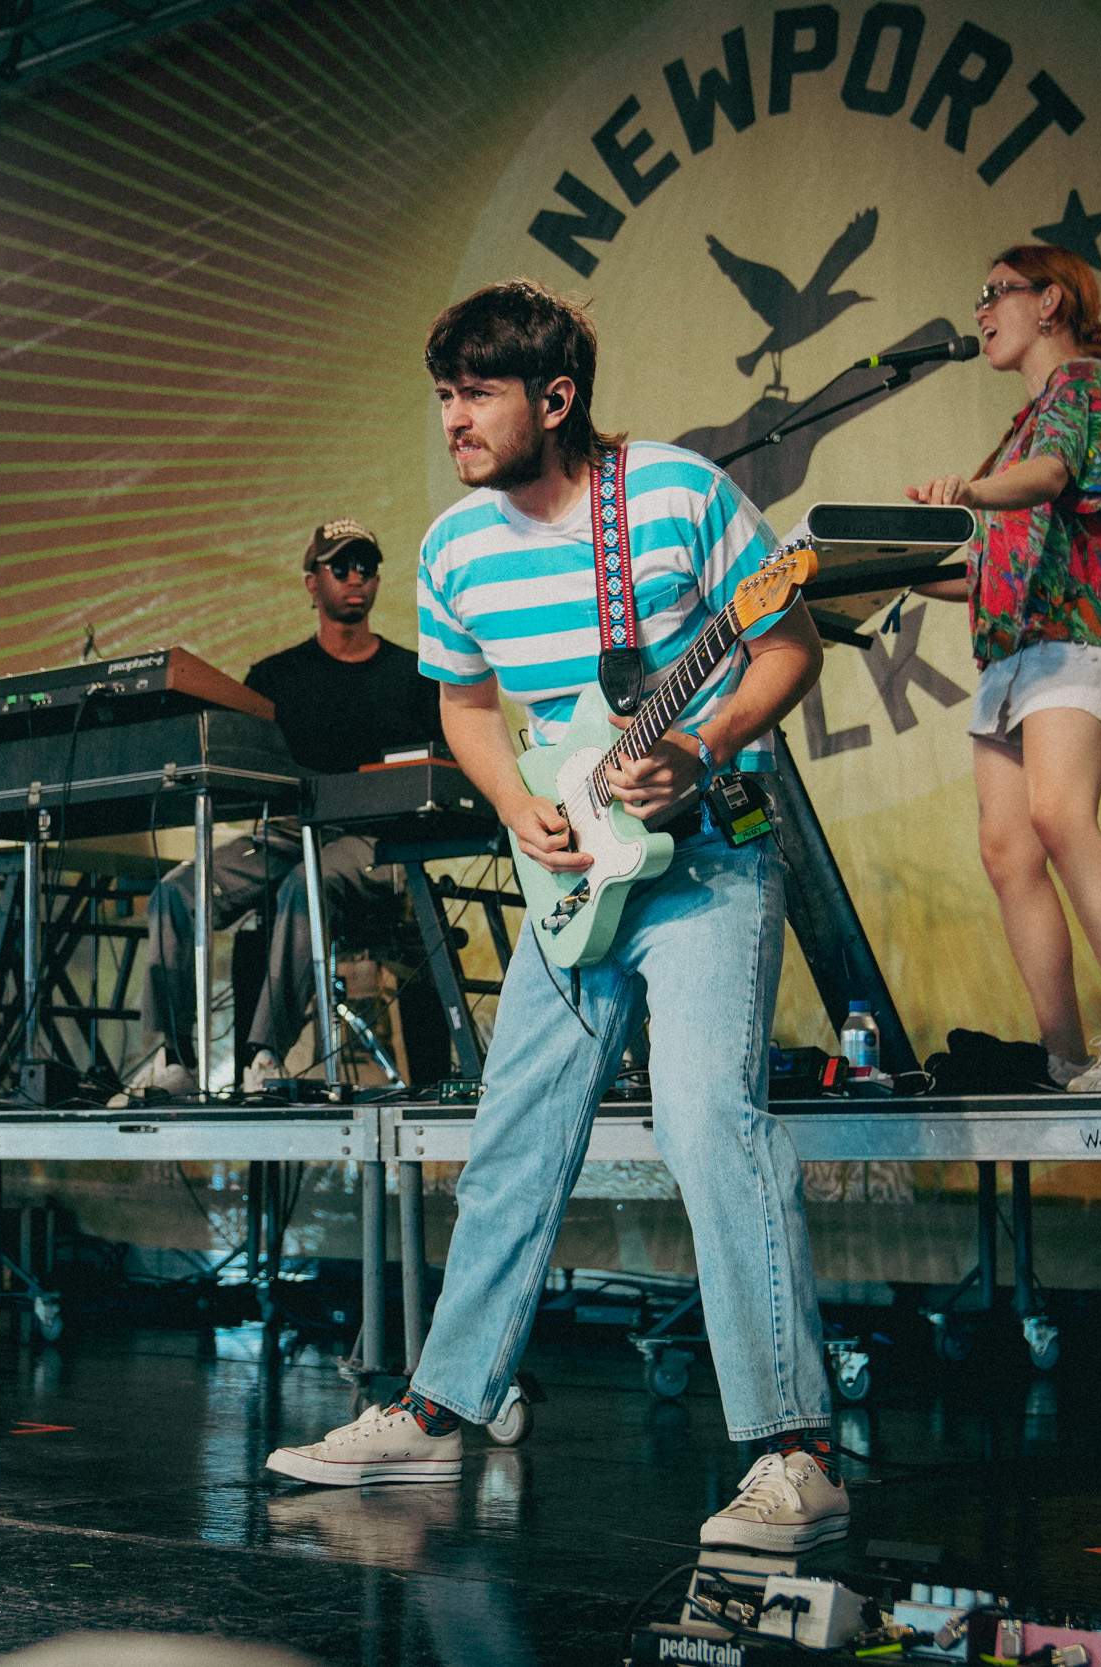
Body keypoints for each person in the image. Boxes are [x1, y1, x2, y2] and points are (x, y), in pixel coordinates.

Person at [264, 280, 847, 1554]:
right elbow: (466, 702)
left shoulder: (679, 495)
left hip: (705, 861)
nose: (453, 420)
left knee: (707, 1122)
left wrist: (704, 744)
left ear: (556, 397)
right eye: (443, 396)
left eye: (475, 393)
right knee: (513, 1137)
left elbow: (787, 642)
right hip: (575, 873)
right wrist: (516, 797)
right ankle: (432, 1410)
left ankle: (795, 1451)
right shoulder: (452, 548)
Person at [906, 246, 1101, 1093]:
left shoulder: (1085, 387)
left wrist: (972, 497)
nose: (980, 309)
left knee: (1059, 813)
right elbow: (985, 573)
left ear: (1049, 299)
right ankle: (1062, 1055)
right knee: (1006, 846)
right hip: (1014, 655)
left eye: (997, 292)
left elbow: (1054, 476)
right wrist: (880, 570)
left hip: (1077, 635)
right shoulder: (1017, 431)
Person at [111, 520, 445, 1103]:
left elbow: (443, 770)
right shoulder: (273, 678)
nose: (356, 581)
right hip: (289, 828)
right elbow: (241, 766)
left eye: (366, 569)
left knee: (303, 887)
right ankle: (174, 1059)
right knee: (176, 892)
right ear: (312, 584)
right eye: (340, 568)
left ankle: (263, 1058)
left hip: (376, 838)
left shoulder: (412, 675)